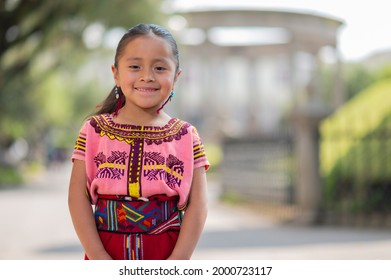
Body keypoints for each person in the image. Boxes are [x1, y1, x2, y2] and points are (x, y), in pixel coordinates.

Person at [68, 23, 210, 260]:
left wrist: (178, 261)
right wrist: (98, 257)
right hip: (105, 251)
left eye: (159, 67)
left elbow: (198, 205)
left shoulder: (186, 135)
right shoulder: (94, 130)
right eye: (135, 66)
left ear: (176, 76)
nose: (147, 76)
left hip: (166, 252)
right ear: (115, 73)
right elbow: (77, 198)